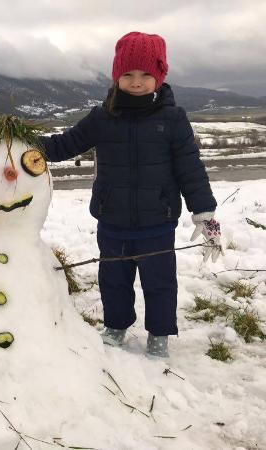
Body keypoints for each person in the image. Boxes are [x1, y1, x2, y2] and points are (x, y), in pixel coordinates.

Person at [41, 31, 223, 358]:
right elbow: (63, 145)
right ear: (116, 77)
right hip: (113, 220)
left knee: (160, 283)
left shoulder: (173, 119)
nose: (136, 82)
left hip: (158, 222)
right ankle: (116, 326)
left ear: (159, 77)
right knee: (113, 280)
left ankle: (159, 334)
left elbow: (190, 168)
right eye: (128, 74)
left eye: (145, 75)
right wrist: (23, 139)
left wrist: (205, 213)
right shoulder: (102, 118)